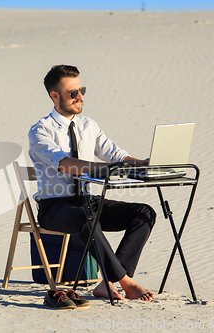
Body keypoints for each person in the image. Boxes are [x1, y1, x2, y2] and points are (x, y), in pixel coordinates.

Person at [28, 65, 156, 301]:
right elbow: (65, 163)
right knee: (85, 216)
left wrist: (145, 163)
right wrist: (103, 170)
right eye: (72, 93)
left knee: (144, 213)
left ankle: (105, 282)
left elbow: (117, 156)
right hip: (55, 207)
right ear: (54, 96)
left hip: (87, 201)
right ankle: (126, 282)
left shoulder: (89, 125)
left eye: (81, 90)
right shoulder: (40, 131)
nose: (80, 96)